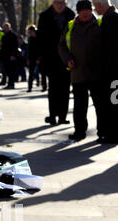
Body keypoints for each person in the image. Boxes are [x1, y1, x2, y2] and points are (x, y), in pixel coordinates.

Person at [58, 0, 102, 141]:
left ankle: (103, 131)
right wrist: (67, 59)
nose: (85, 13)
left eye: (87, 10)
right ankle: (79, 131)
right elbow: (62, 46)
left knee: (100, 105)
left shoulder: (100, 24)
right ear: (78, 12)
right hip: (78, 72)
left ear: (91, 10)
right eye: (82, 10)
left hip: (97, 73)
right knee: (79, 106)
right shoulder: (71, 26)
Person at [37, 0, 75, 125]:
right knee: (53, 88)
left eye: (62, 3)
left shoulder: (71, 15)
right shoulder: (44, 16)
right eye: (57, 2)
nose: (60, 5)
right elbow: (40, 39)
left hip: (66, 58)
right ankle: (52, 115)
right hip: (50, 58)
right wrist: (40, 57)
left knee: (64, 88)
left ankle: (62, 116)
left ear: (66, 4)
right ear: (53, 3)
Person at [92, 0, 118, 143]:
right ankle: (112, 133)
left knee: (112, 104)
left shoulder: (111, 19)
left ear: (101, 5)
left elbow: (110, 47)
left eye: (95, 6)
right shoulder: (111, 18)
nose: (95, 10)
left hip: (111, 71)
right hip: (111, 70)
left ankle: (113, 134)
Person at [0, 22, 19, 89]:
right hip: (5, 56)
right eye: (4, 28)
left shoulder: (13, 35)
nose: (5, 29)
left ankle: (11, 84)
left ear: (9, 28)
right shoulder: (3, 35)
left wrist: (13, 55)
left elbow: (15, 46)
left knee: (11, 71)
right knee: (7, 70)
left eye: (6, 28)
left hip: (10, 56)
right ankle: (9, 83)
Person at [26, 25, 39, 92]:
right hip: (31, 58)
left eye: (31, 32)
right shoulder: (30, 38)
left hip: (39, 58)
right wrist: (28, 59)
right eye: (29, 32)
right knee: (31, 73)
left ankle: (43, 86)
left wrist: (39, 58)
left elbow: (41, 49)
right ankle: (29, 87)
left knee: (42, 73)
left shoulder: (39, 38)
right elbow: (29, 50)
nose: (30, 33)